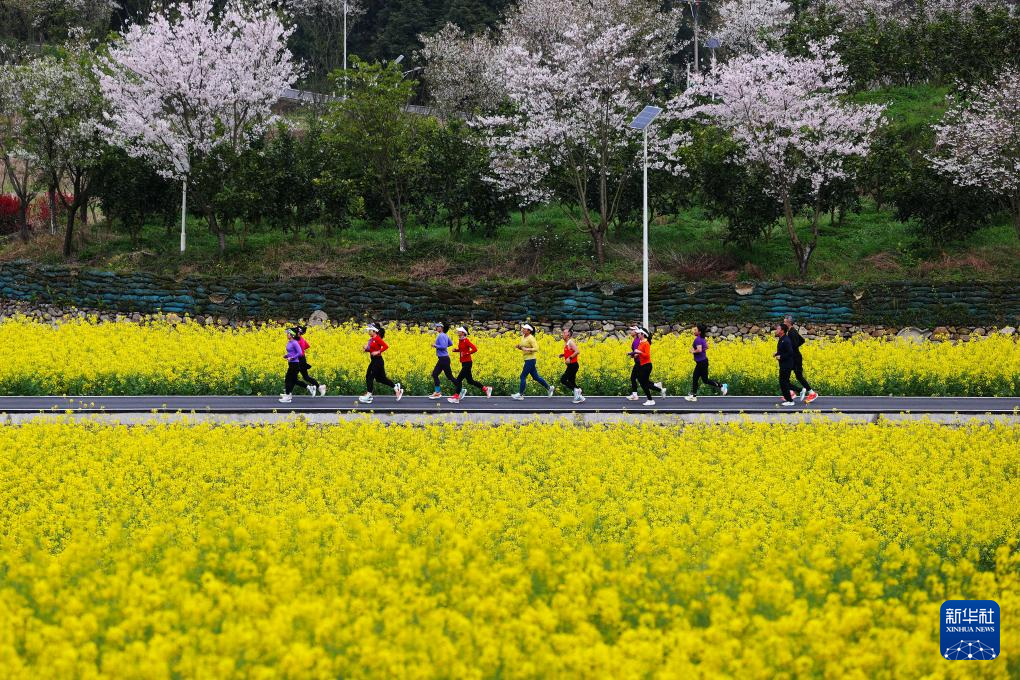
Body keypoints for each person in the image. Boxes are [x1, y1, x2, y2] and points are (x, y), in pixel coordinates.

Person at [358, 324, 404, 404]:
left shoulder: (377, 338)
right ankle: (395, 387)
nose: (369, 332)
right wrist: (366, 349)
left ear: (374, 331)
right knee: (380, 379)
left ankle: (369, 395)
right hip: (375, 361)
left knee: (369, 376)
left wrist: (378, 352)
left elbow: (386, 346)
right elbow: (371, 349)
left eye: (370, 330)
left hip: (378, 361)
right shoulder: (372, 339)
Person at [447, 327, 492, 403]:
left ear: (463, 333)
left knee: (459, 379)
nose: (458, 332)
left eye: (459, 331)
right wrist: (456, 350)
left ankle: (456, 397)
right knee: (470, 381)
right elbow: (462, 350)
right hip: (464, 362)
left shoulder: (466, 340)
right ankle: (486, 389)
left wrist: (467, 353)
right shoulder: (461, 340)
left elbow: (475, 349)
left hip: (468, 363)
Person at [684, 324, 728, 402]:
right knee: (703, 380)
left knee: (697, 379)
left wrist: (692, 351)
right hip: (702, 362)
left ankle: (721, 386)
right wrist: (699, 350)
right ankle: (693, 395)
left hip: (702, 363)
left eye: (696, 330)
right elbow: (706, 347)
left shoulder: (698, 339)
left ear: (699, 332)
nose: (694, 331)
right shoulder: (702, 338)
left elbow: (699, 350)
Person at [511, 323, 554, 400]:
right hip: (527, 359)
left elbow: (536, 348)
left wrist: (527, 349)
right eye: (523, 328)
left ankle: (520, 395)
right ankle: (549, 388)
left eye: (525, 329)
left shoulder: (531, 338)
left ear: (529, 331)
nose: (523, 329)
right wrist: (519, 347)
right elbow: (523, 347)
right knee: (536, 377)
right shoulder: (523, 337)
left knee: (523, 376)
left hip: (530, 359)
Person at [783, 315, 818, 404]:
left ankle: (811, 393)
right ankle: (791, 392)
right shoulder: (792, 331)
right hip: (794, 357)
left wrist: (788, 350)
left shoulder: (791, 333)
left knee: (796, 376)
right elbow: (802, 340)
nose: (783, 323)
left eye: (784, 322)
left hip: (795, 358)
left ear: (788, 323)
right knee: (785, 375)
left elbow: (794, 345)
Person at [294, 325, 326, 397]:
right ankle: (320, 387)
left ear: (298, 333)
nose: (294, 333)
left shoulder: (296, 341)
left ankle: (288, 394)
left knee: (292, 378)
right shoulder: (301, 339)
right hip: (302, 359)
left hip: (298, 360)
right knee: (306, 377)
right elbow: (307, 346)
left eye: (295, 332)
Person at [628, 327, 657, 406]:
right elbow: (638, 353)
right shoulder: (641, 342)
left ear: (643, 335)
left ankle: (651, 399)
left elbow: (647, 355)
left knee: (643, 383)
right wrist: (633, 354)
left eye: (639, 333)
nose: (638, 334)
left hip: (646, 365)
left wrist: (639, 352)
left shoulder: (646, 343)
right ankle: (657, 390)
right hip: (642, 365)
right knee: (643, 382)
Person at [428, 322, 457, 399]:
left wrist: (435, 345)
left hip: (443, 359)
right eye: (436, 326)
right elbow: (450, 343)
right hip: (443, 358)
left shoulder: (441, 336)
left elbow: (444, 346)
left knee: (449, 376)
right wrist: (442, 345)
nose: (436, 327)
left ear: (442, 328)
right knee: (435, 374)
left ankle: (460, 389)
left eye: (438, 326)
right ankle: (437, 392)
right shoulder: (445, 335)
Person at [279, 328, 307, 403]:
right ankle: (288, 395)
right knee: (291, 379)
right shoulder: (289, 342)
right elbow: (292, 352)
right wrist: (287, 355)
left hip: (295, 363)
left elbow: (300, 352)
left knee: (288, 379)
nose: (287, 334)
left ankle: (288, 396)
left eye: (288, 333)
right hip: (291, 363)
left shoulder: (294, 342)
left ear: (292, 335)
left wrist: (292, 357)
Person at [558, 328, 585, 404]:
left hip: (573, 365)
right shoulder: (567, 343)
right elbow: (570, 352)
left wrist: (569, 358)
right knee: (571, 381)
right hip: (571, 365)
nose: (562, 334)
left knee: (563, 380)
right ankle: (579, 397)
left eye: (564, 333)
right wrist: (563, 355)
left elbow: (577, 351)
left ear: (568, 334)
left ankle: (577, 391)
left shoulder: (570, 342)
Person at [774, 324, 797, 406]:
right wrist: (776, 353)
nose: (776, 329)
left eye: (778, 328)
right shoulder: (782, 339)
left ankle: (790, 401)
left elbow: (790, 352)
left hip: (787, 364)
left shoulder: (786, 340)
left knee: (783, 382)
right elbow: (783, 350)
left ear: (782, 331)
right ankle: (799, 392)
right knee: (784, 382)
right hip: (784, 364)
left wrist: (781, 356)